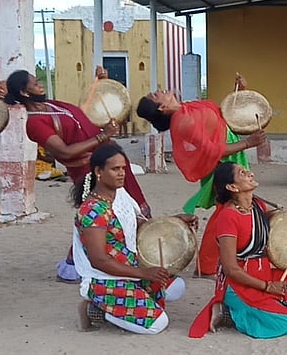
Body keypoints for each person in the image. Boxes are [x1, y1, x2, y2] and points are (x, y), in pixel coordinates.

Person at [0, 68, 151, 284]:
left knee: (130, 208)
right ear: (24, 92)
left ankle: (129, 258)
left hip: (111, 162)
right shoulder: (34, 123)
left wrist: (100, 85)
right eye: (35, 83)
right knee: (101, 216)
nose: (40, 85)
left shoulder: (52, 105)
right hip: (90, 170)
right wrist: (103, 136)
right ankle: (80, 263)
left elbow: (84, 120)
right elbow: (65, 152)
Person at [135, 76, 267, 278]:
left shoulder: (186, 109)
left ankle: (213, 261)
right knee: (226, 209)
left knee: (230, 208)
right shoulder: (183, 121)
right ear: (161, 107)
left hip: (230, 156)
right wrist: (249, 143)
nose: (160, 90)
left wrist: (236, 93)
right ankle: (206, 266)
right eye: (155, 95)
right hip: (221, 165)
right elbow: (212, 151)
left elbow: (217, 116)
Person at [71, 143, 194, 334]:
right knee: (157, 324)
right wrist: (144, 274)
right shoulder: (93, 210)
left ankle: (135, 299)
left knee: (176, 287)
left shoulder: (119, 195)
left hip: (130, 269)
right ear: (98, 171)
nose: (121, 173)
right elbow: (98, 260)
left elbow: (138, 224)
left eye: (123, 168)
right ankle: (93, 310)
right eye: (115, 169)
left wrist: (175, 221)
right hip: (105, 278)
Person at [188, 162, 287, 339]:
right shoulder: (227, 217)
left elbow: (283, 223)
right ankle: (227, 312)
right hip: (240, 283)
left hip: (262, 273)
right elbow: (231, 269)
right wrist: (268, 286)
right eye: (242, 173)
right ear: (232, 187)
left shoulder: (256, 206)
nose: (250, 173)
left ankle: (261, 307)